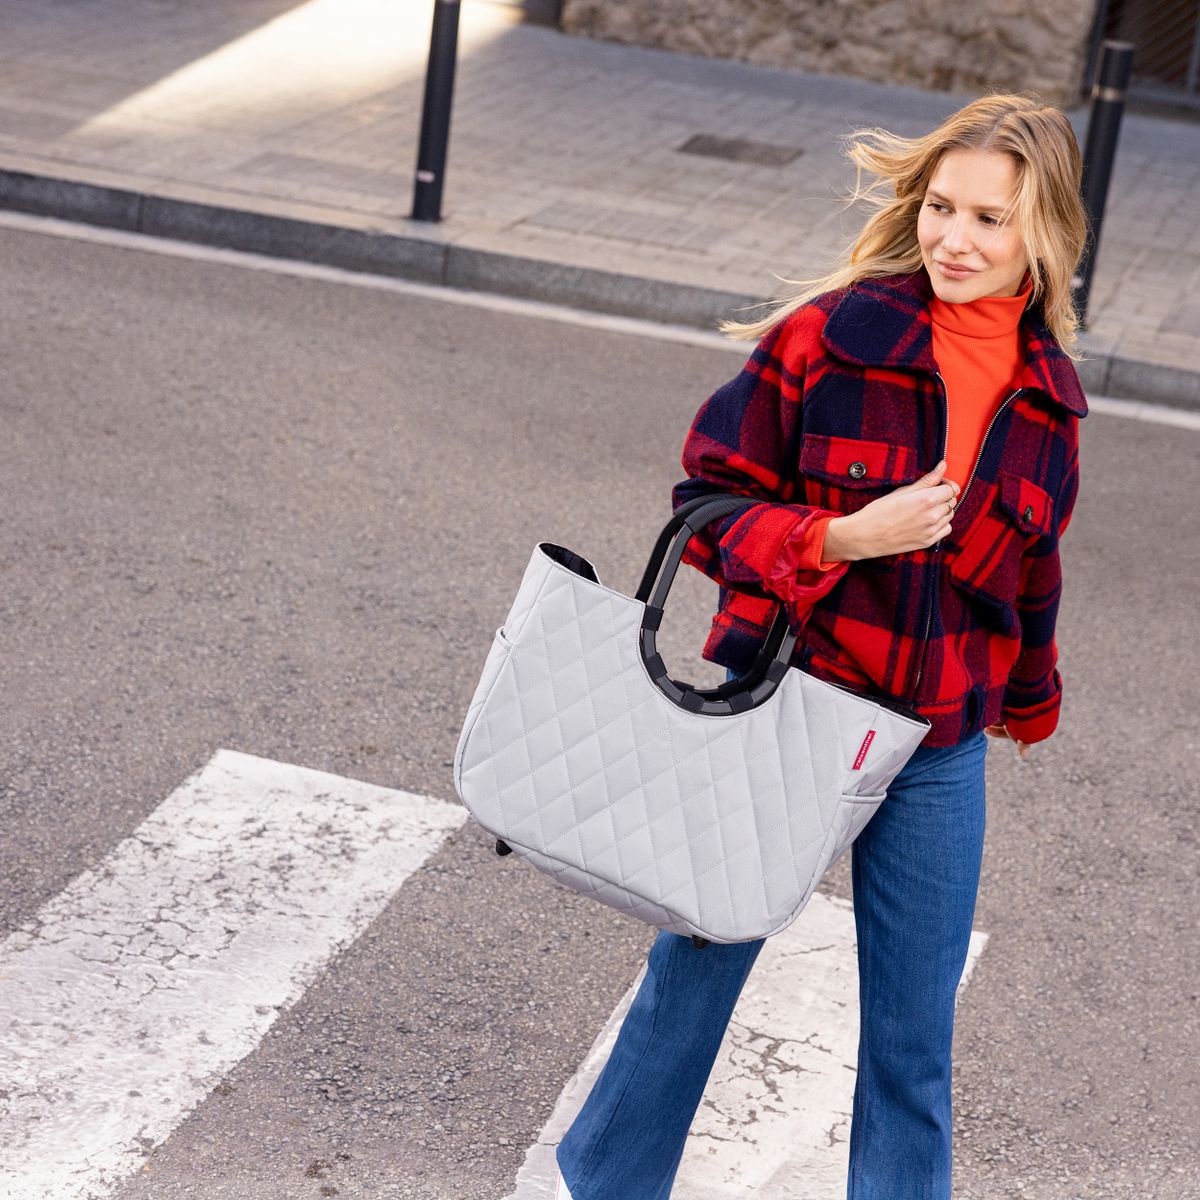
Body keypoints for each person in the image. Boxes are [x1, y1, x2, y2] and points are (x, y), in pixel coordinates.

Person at [553, 91, 1089, 1200]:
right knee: (695, 979)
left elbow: (1030, 577)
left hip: (940, 743)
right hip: (793, 707)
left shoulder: (1049, 402)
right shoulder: (833, 337)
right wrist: (840, 535)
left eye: (991, 219)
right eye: (942, 207)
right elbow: (704, 499)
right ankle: (606, 1185)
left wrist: (1030, 701)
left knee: (912, 1036)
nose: (954, 238)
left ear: (1044, 233)